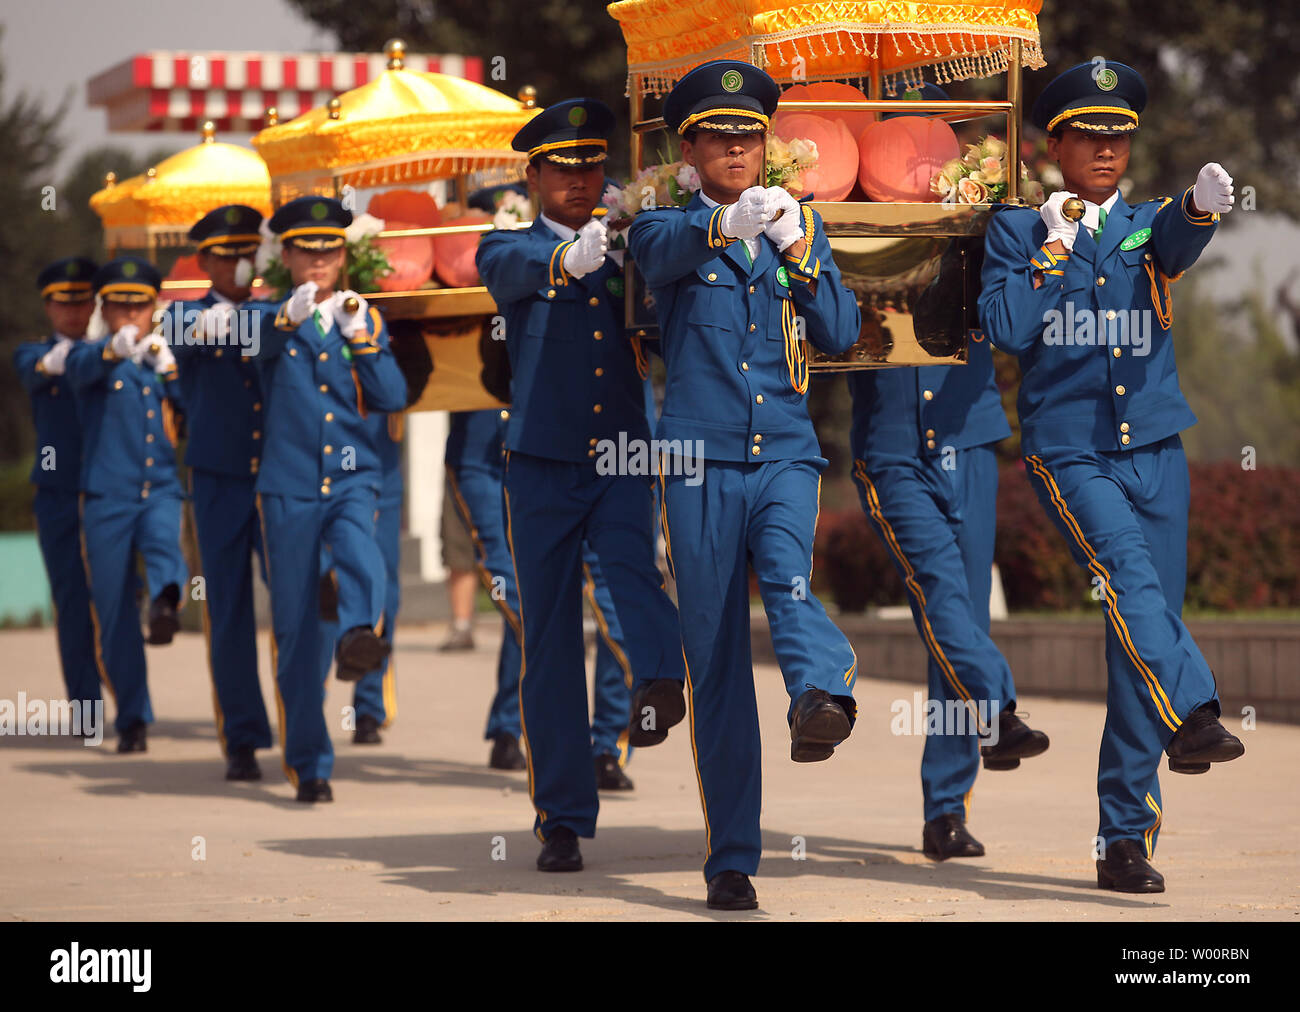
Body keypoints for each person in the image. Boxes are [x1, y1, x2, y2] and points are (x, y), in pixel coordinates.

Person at [978, 59, 1244, 893]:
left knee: (1139, 636)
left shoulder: (1144, 220)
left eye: (1119, 135)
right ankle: (1197, 709)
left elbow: (1175, 239)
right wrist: (1055, 248)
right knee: (1131, 583)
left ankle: (1124, 839)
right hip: (1072, 450)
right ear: (1052, 142)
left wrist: (1199, 208)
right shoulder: (1020, 230)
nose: (1105, 149)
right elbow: (1005, 325)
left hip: (1157, 450)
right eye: (1089, 135)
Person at [627, 60, 861, 910]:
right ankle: (732, 856)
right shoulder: (667, 226)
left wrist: (801, 250)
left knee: (790, 578)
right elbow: (662, 256)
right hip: (698, 462)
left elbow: (840, 329)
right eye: (719, 137)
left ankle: (820, 694)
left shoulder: (799, 223)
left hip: (787, 455)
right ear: (688, 149)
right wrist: (726, 225)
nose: (737, 148)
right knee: (715, 655)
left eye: (750, 135)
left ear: (768, 144)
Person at [476, 98, 685, 874]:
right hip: (540, 464)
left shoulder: (631, 245)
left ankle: (661, 680)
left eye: (591, 166)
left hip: (624, 453)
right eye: (562, 168)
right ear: (532, 175)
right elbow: (507, 274)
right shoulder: (510, 245)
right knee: (552, 640)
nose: (580, 180)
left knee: (637, 576)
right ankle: (560, 816)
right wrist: (569, 259)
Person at [847, 89, 1049, 861]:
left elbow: (1013, 314)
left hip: (968, 437)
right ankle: (998, 709)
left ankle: (946, 807)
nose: (923, 164)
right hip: (893, 446)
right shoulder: (851, 220)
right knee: (940, 596)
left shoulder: (989, 223)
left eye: (936, 150)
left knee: (958, 621)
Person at [253, 195, 407, 802]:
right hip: (289, 485)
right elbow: (241, 348)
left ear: (344, 257)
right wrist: (284, 321)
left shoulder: (363, 318)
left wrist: (363, 341)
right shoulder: (267, 319)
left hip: (350, 476)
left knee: (361, 554)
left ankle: (357, 636)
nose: (319, 263)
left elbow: (392, 396)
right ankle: (309, 763)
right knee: (295, 630)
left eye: (330, 251)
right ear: (287, 256)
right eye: (307, 252)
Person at [165, 204, 273, 781]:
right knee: (228, 610)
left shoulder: (278, 305)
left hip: (276, 475)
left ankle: (297, 720)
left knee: (295, 602)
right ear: (203, 260)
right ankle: (242, 734)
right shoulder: (185, 316)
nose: (240, 264)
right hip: (218, 478)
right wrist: (261, 321)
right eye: (227, 255)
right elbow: (180, 334)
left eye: (247, 252)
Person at [66, 256, 188, 753]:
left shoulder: (163, 356)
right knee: (113, 610)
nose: (130, 316)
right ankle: (133, 715)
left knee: (164, 546)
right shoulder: (92, 356)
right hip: (106, 496)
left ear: (154, 307)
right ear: (105, 308)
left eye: (139, 306)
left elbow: (194, 411)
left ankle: (165, 602)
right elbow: (77, 373)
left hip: (157, 485)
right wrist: (110, 353)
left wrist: (172, 371)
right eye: (120, 306)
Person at [14, 257, 101, 722]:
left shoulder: (114, 348)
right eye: (63, 303)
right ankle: (87, 706)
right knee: (72, 599)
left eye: (83, 301)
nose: (74, 311)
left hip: (112, 490)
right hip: (59, 494)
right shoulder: (32, 354)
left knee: (119, 593)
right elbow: (44, 367)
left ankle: (129, 702)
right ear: (48, 307)